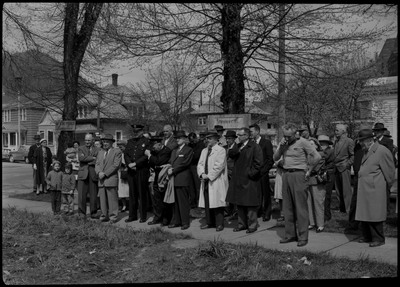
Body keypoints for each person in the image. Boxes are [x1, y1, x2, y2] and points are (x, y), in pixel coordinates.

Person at [273, 123, 321, 247]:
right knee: (287, 208)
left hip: (299, 174)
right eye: (285, 136)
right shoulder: (284, 143)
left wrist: (309, 170)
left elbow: (317, 156)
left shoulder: (304, 142)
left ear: (295, 134)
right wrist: (281, 148)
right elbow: (275, 158)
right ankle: (290, 234)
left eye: (289, 136)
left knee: (301, 208)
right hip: (286, 174)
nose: (287, 138)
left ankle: (303, 236)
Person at [355, 129, 395, 247]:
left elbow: (390, 172)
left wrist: (388, 186)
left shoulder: (382, 151)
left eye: (362, 141)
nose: (360, 144)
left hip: (375, 188)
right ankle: (367, 236)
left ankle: (378, 238)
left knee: (375, 215)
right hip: (365, 188)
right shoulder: (367, 150)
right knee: (365, 214)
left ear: (369, 140)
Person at [226, 127, 263, 234]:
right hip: (238, 179)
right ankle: (242, 224)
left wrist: (250, 174)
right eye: (238, 135)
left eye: (240, 135)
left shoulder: (255, 147)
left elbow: (258, 163)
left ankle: (252, 225)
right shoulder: (238, 146)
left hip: (249, 180)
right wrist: (235, 146)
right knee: (240, 203)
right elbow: (231, 155)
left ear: (247, 135)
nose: (238, 137)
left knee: (250, 203)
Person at [197, 130, 228, 232]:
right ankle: (210, 222)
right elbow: (200, 164)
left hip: (215, 180)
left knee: (217, 203)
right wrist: (202, 174)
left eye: (210, 138)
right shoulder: (204, 151)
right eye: (206, 138)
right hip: (205, 179)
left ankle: (219, 224)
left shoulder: (220, 150)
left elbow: (219, 166)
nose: (207, 140)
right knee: (207, 201)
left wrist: (209, 176)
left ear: (215, 139)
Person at [167, 130, 194, 230]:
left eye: (179, 138)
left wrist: (173, 170)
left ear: (184, 139)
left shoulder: (188, 150)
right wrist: (168, 167)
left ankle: (185, 222)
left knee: (183, 201)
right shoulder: (174, 150)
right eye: (176, 138)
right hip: (174, 178)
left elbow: (185, 163)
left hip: (182, 178)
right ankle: (176, 221)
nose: (177, 140)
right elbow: (171, 161)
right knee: (176, 202)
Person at [124, 124, 151, 223]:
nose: (135, 133)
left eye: (137, 132)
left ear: (141, 132)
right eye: (134, 132)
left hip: (141, 170)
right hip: (131, 170)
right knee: (132, 194)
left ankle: (143, 215)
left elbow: (146, 156)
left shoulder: (146, 142)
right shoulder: (130, 142)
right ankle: (132, 215)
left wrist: (136, 163)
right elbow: (126, 154)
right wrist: (129, 164)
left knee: (142, 194)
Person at [249, 124, 274, 222]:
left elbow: (269, 159)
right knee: (256, 193)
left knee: (265, 193)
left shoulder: (266, 143)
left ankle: (267, 212)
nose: (250, 133)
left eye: (251, 131)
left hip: (262, 173)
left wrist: (263, 171)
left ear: (257, 131)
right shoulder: (250, 143)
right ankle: (258, 211)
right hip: (253, 173)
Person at [95, 134, 122, 223]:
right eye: (104, 142)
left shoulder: (116, 151)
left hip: (110, 178)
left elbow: (116, 165)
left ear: (111, 143)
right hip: (101, 179)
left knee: (112, 199)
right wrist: (99, 172)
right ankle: (104, 216)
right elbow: (97, 164)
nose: (105, 143)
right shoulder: (100, 152)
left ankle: (113, 217)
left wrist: (105, 174)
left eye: (107, 142)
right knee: (102, 200)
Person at [147, 136, 172, 225]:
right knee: (156, 199)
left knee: (164, 198)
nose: (152, 149)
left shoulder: (167, 151)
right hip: (156, 175)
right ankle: (157, 217)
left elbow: (158, 162)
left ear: (159, 144)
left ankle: (166, 218)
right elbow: (151, 163)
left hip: (164, 176)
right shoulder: (155, 151)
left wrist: (150, 156)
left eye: (154, 146)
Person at [77, 133, 100, 219]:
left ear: (93, 140)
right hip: (83, 174)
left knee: (93, 195)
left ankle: (93, 213)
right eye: (86, 140)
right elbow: (81, 158)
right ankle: (82, 213)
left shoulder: (98, 149)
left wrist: (88, 159)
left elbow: (98, 160)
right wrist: (92, 158)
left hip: (93, 174)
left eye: (89, 140)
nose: (87, 142)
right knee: (82, 195)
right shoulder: (80, 148)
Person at [333, 123, 354, 214]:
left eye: (337, 130)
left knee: (346, 190)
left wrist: (347, 164)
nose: (335, 132)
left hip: (344, 168)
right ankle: (341, 208)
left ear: (343, 131)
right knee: (338, 190)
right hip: (336, 167)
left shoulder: (349, 141)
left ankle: (348, 208)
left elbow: (352, 155)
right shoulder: (336, 141)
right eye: (335, 130)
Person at [307, 137, 327, 233]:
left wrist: (307, 168)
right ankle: (311, 222)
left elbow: (316, 167)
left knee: (318, 203)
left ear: (316, 145)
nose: (309, 146)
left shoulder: (321, 155)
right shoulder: (307, 155)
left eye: (311, 144)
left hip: (317, 181)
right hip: (308, 181)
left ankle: (320, 224)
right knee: (309, 202)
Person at [318, 135, 335, 223]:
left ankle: (326, 215)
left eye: (322, 144)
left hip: (328, 174)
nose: (320, 145)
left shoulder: (329, 151)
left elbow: (322, 158)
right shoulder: (324, 151)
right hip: (324, 173)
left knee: (327, 195)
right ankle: (323, 214)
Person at [188, 132, 206, 209]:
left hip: (197, 166)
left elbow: (196, 155)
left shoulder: (200, 144)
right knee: (191, 186)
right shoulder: (189, 145)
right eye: (190, 140)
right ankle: (193, 202)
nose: (192, 142)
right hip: (190, 166)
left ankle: (199, 203)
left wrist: (191, 154)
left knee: (198, 185)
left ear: (195, 138)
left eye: (193, 140)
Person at [224, 130, 238, 219]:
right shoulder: (224, 148)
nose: (228, 140)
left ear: (234, 139)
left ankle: (236, 212)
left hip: (233, 173)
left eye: (229, 139)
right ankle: (228, 210)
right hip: (225, 174)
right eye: (227, 139)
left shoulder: (237, 148)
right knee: (227, 193)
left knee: (235, 193)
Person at [116, 140, 129, 212]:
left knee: (128, 189)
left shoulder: (128, 153)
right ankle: (124, 205)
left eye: (121, 147)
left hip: (127, 172)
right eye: (119, 147)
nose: (120, 149)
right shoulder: (119, 154)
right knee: (121, 190)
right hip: (120, 172)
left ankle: (131, 204)